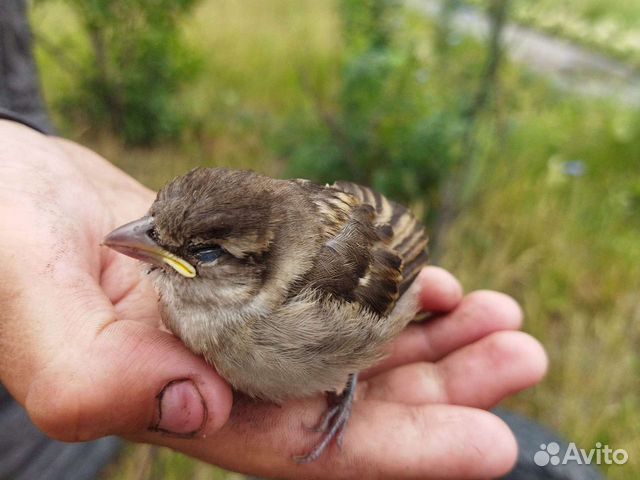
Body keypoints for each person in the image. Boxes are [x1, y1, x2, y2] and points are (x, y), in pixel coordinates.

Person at [0, 2, 597, 479]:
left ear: (261, 269)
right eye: (154, 226)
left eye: (200, 254)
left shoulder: (317, 297)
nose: (140, 243)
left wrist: (347, 384)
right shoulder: (190, 288)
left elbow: (399, 250)